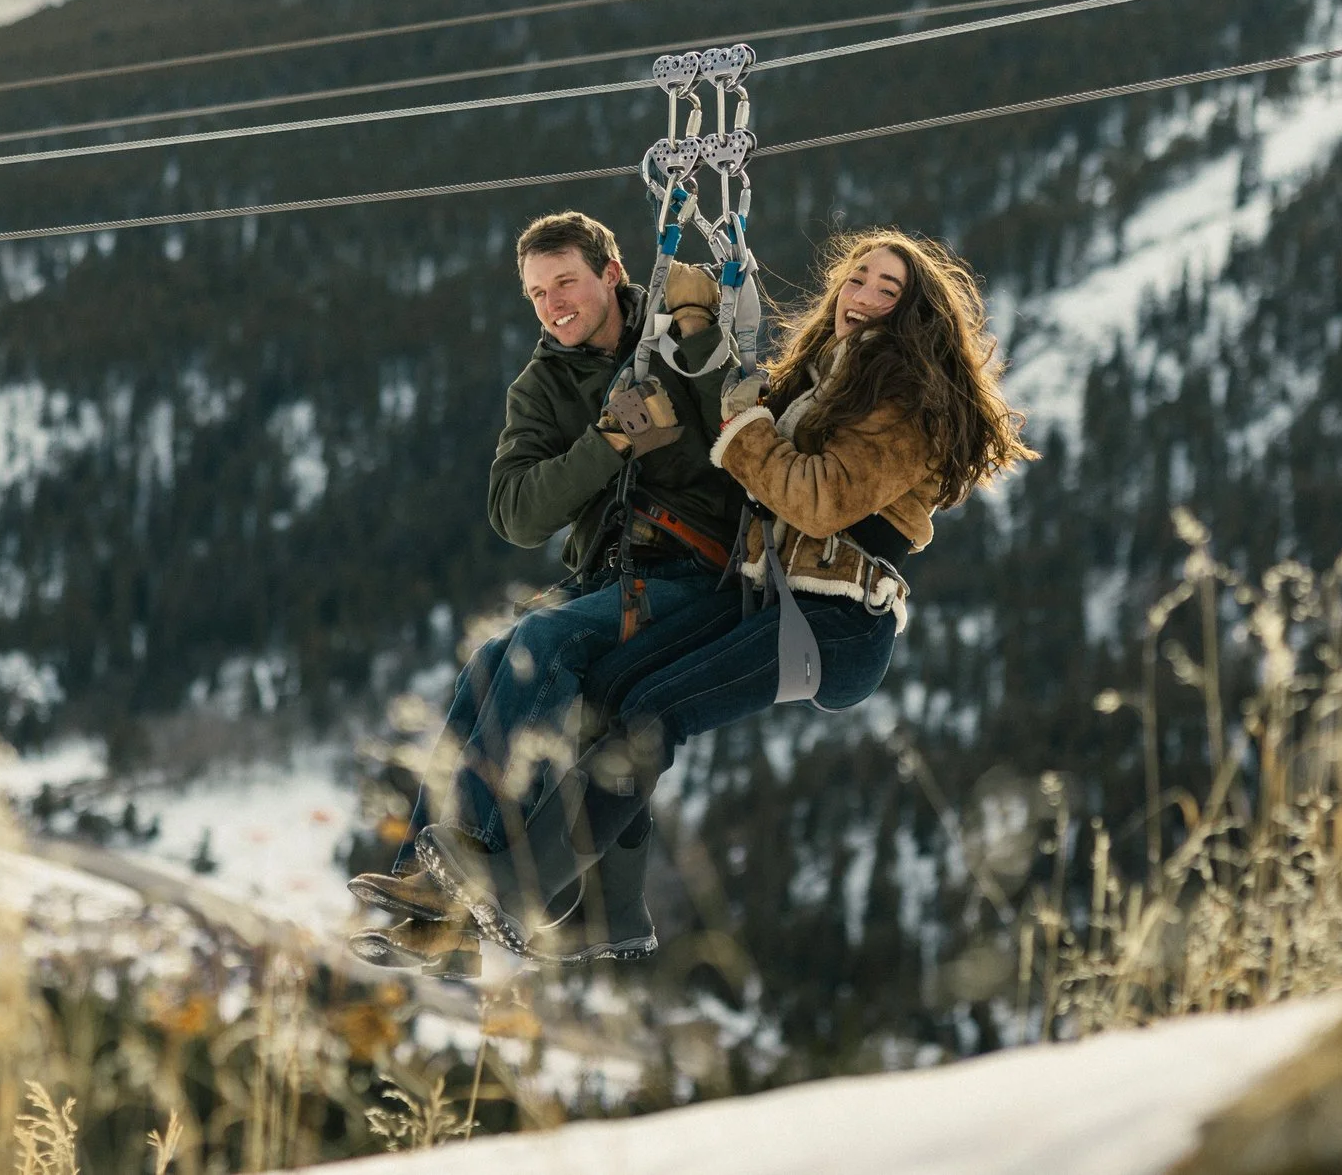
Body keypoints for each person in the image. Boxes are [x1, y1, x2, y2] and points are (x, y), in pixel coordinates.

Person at [412, 228, 1036, 952]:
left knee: (652, 712)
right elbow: (743, 422)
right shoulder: (826, 377)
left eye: (885, 290)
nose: (860, 296)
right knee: (613, 686)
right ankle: (608, 914)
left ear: (913, 314)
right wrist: (703, 339)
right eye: (856, 279)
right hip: (782, 599)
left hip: (836, 620)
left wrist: (729, 397)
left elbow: (813, 498)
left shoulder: (900, 401)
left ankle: (517, 888)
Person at [347, 210, 747, 973]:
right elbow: (517, 512)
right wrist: (604, 447)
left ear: (611, 274)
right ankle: (432, 883)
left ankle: (479, 867)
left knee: (541, 645)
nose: (552, 303)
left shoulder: (677, 341)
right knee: (489, 660)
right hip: (611, 576)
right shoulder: (541, 386)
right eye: (536, 293)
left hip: (699, 572)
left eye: (565, 281)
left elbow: (741, 414)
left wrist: (696, 332)